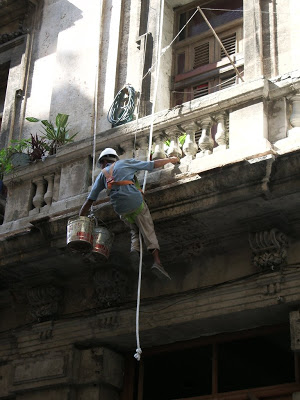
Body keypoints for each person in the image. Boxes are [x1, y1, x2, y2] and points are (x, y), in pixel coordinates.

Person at [79, 147, 180, 279]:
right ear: (114, 159)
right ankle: (157, 262)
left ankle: (135, 250)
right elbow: (152, 165)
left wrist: (80, 220)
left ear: (103, 162)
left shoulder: (102, 176)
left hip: (121, 210)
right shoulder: (125, 163)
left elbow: (89, 201)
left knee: (134, 229)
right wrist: (171, 159)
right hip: (135, 203)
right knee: (147, 229)